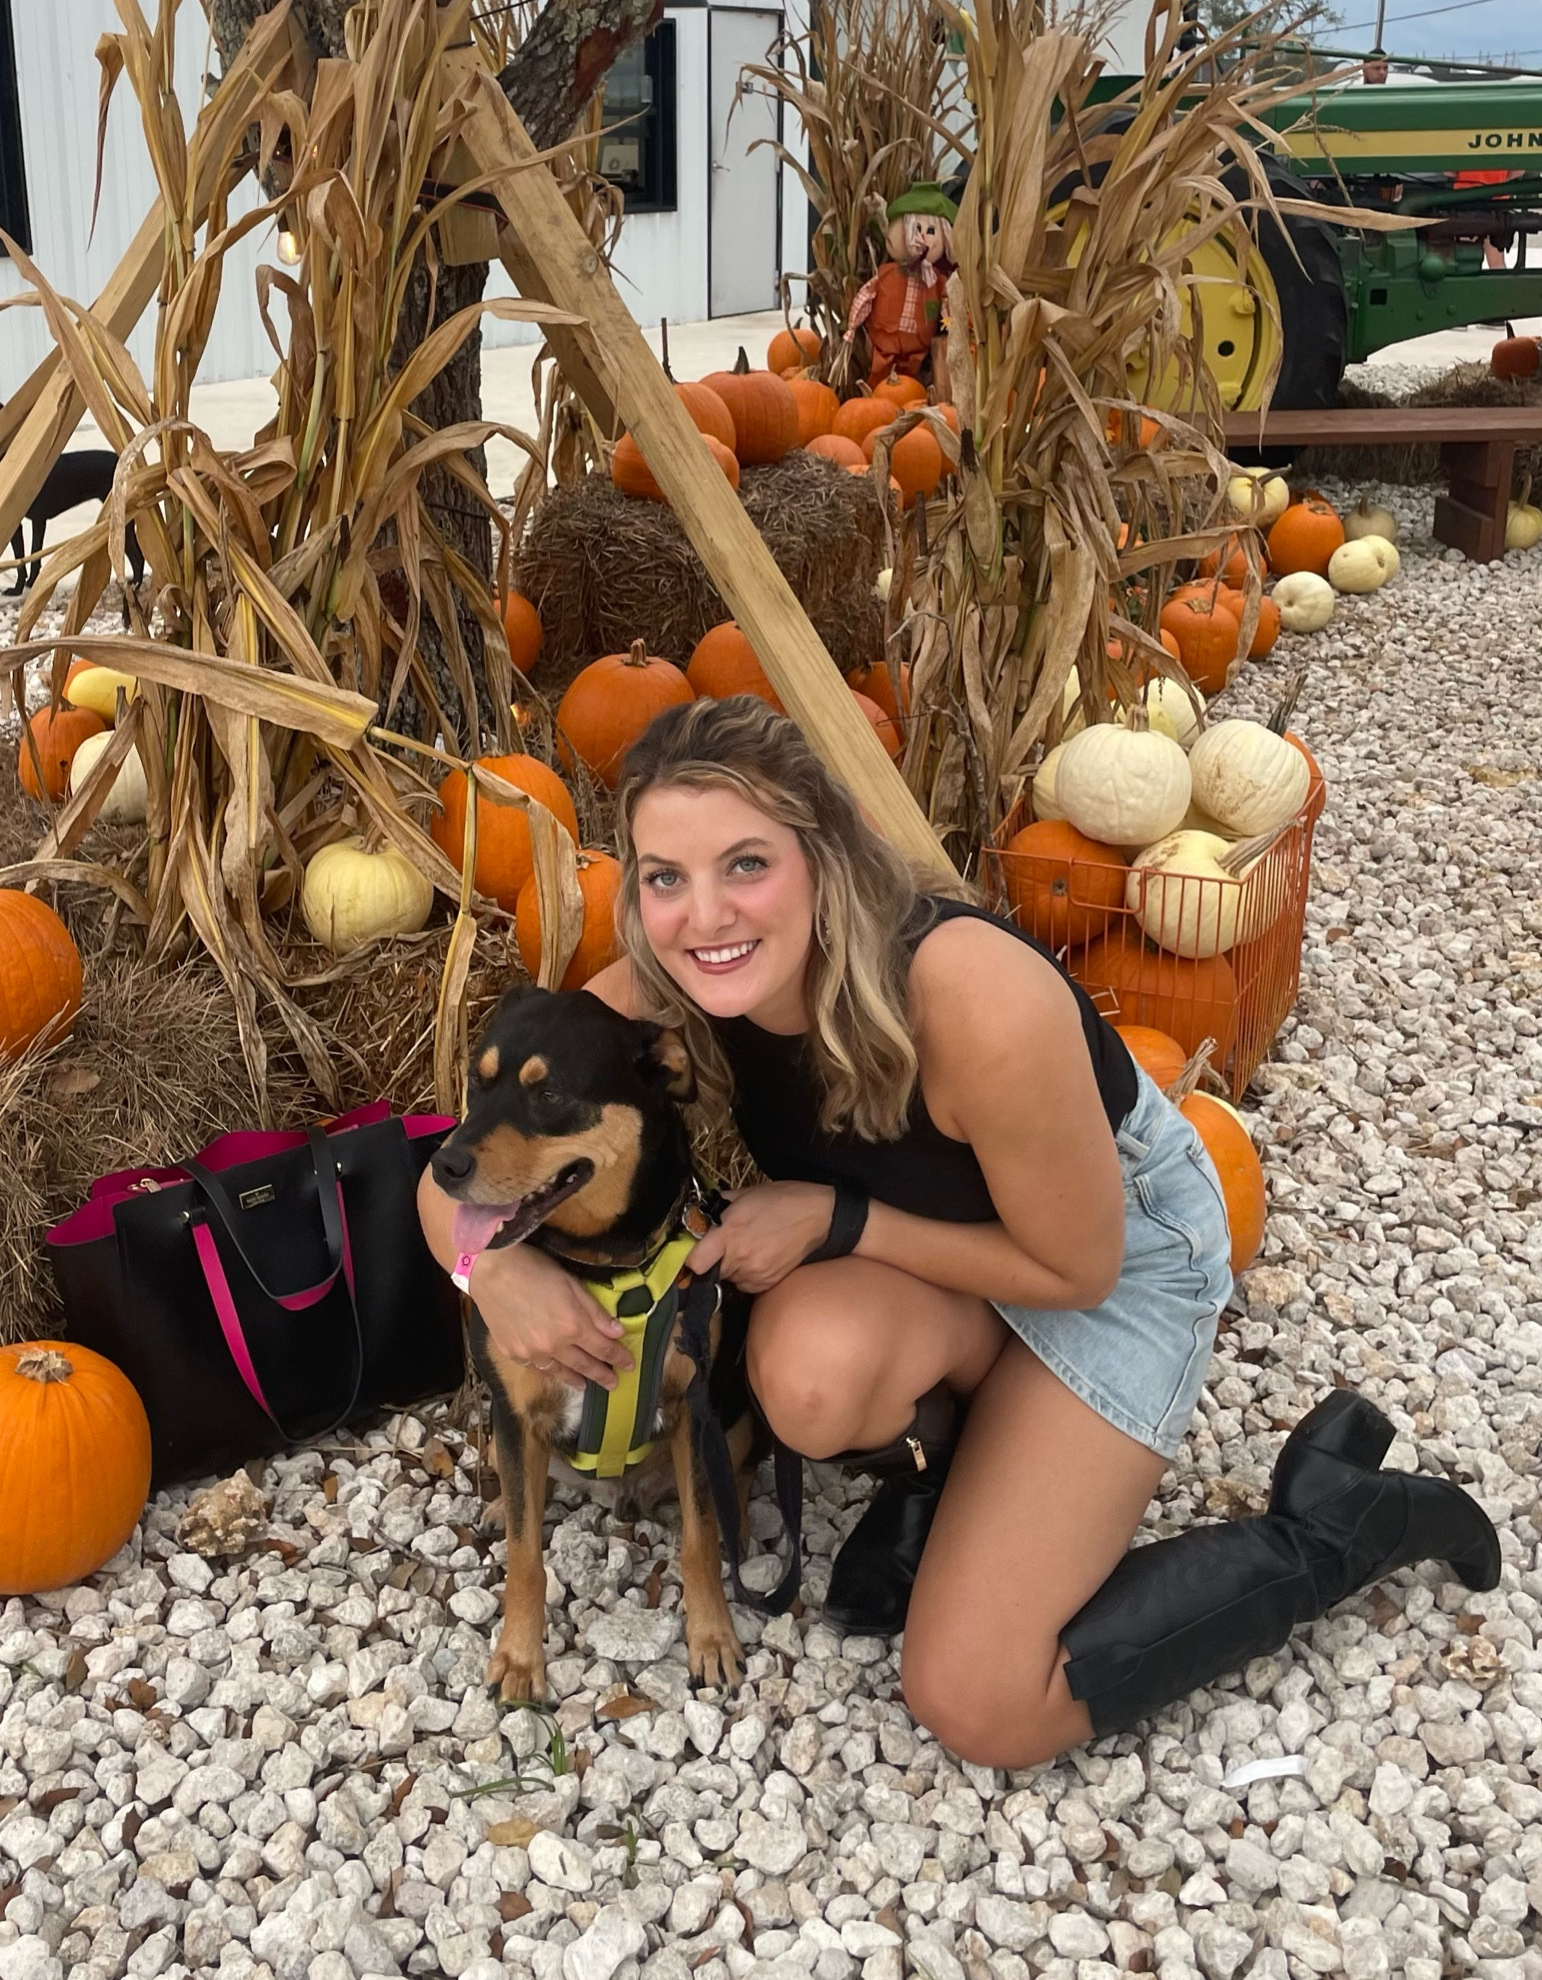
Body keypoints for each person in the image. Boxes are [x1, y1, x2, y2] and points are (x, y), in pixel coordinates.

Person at [418, 698, 1499, 1765]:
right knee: (806, 1375)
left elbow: (1080, 1265)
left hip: (1112, 1253)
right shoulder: (673, 982)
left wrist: (839, 1217)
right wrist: (490, 1268)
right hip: (950, 1254)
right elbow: (442, 1175)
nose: (703, 913)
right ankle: (973, 1470)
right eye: (665, 877)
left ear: (823, 852)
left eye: (747, 863)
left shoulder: (968, 992)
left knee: (982, 1701)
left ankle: (1335, 1525)